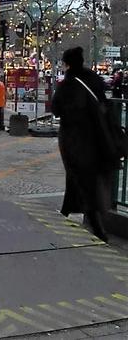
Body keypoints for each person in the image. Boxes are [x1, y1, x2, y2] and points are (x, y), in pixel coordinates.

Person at [52, 46, 111, 242]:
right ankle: (69, 209)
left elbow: (56, 110)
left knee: (80, 176)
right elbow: (104, 101)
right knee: (87, 176)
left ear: (67, 63)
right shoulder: (94, 78)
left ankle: (95, 224)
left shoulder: (68, 84)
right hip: (98, 137)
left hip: (75, 139)